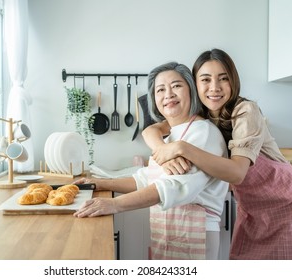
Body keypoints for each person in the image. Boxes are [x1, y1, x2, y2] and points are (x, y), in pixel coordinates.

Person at [142, 49, 292, 260]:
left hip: (289, 203)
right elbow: (152, 130)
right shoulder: (202, 115)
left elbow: (237, 173)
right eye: (205, 79)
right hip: (253, 206)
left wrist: (181, 148)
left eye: (223, 79)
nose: (214, 88)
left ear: (233, 81)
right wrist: (161, 149)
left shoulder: (245, 111)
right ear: (194, 84)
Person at [74, 62, 229, 260]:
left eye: (176, 86)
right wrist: (99, 183)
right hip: (167, 230)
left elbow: (172, 187)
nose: (168, 94)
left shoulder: (203, 133)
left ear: (191, 90)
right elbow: (146, 179)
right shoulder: (170, 135)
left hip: (196, 235)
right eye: (160, 90)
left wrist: (114, 204)